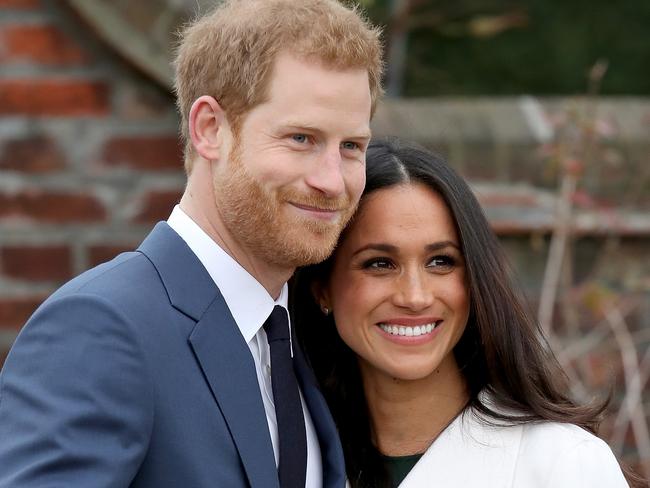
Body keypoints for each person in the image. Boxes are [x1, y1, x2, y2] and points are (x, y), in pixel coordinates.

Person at [0, 1, 383, 487]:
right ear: (210, 129)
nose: (333, 180)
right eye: (302, 138)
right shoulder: (100, 328)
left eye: (351, 146)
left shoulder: (305, 332)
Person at [292, 138, 638, 488]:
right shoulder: (288, 457)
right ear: (322, 288)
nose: (415, 296)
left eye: (441, 262)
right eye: (379, 263)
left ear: (474, 279)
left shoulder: (561, 463)